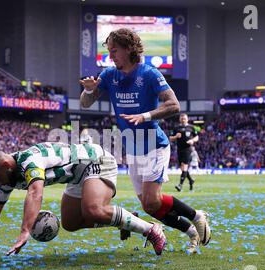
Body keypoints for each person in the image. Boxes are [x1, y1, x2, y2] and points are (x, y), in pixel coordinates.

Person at [79, 28, 211, 253]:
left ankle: (196, 216)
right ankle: (191, 232)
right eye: (109, 51)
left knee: (151, 200)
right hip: (132, 148)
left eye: (114, 51)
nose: (110, 56)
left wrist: (146, 115)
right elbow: (85, 103)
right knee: (150, 206)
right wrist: (89, 91)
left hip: (154, 145)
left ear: (129, 48)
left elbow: (174, 105)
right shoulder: (110, 75)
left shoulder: (149, 74)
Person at [0, 142, 166, 261]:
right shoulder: (7, 176)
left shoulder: (30, 160)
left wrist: (25, 231)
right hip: (76, 175)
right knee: (71, 223)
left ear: (5, 164)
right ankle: (124, 218)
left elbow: (35, 193)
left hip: (95, 160)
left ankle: (151, 229)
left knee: (93, 210)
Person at [170, 114, 199, 191]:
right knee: (182, 168)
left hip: (187, 149)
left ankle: (180, 185)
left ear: (187, 119)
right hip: (179, 150)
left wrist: (192, 140)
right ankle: (191, 180)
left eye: (184, 118)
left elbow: (196, 137)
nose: (183, 120)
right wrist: (176, 137)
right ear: (180, 119)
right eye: (182, 118)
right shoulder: (176, 128)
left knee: (185, 167)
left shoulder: (191, 127)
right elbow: (170, 138)